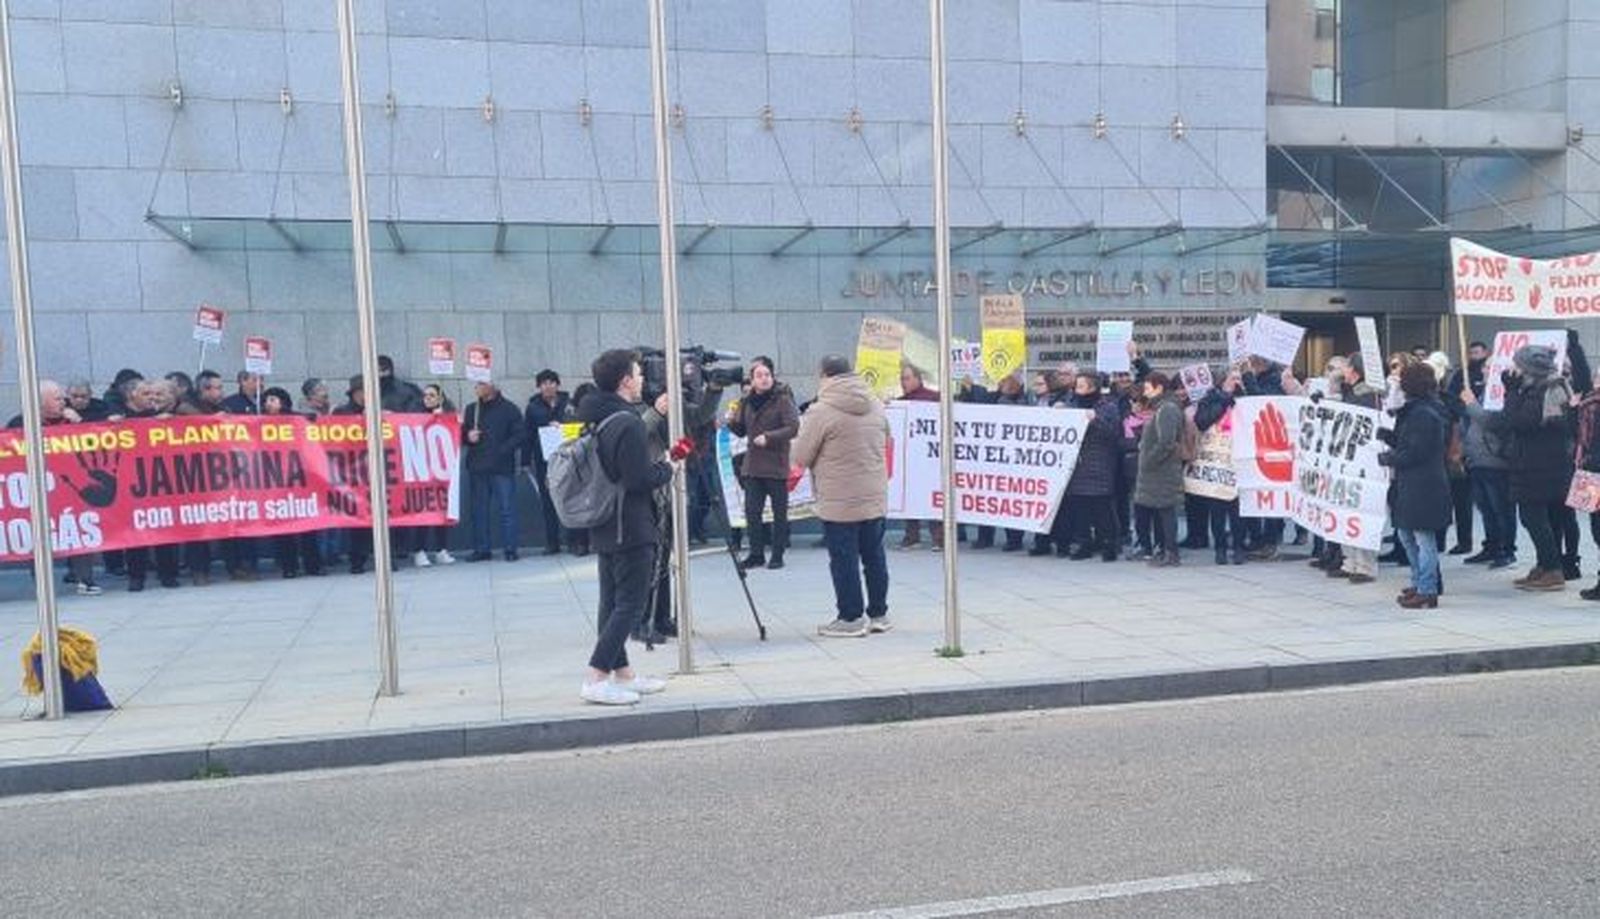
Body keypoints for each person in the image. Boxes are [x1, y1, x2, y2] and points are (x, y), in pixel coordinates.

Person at [578, 349, 676, 706]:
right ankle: (596, 677)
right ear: (625, 381)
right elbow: (638, 479)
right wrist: (668, 467)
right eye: (638, 373)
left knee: (611, 602)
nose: (642, 379)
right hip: (631, 524)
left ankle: (623, 674)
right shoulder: (628, 422)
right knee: (631, 605)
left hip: (605, 520)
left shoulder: (598, 417)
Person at [792, 355, 891, 638]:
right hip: (873, 493)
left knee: (844, 559)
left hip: (839, 499)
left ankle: (850, 617)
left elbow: (800, 456)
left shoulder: (820, 410)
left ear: (825, 376)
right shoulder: (875, 403)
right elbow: (886, 439)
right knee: (874, 555)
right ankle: (879, 614)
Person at [1490, 345, 1575, 592]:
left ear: (1528, 368)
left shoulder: (1543, 390)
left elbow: (1518, 422)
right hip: (1543, 464)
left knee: (1533, 518)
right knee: (1543, 518)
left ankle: (1552, 569)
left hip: (1537, 466)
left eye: (1517, 364)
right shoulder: (1547, 387)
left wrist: (1511, 391)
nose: (1513, 369)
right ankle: (1545, 565)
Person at [7, 381, 102, 595]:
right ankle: (42, 583)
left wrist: (80, 424)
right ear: (41, 402)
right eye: (57, 399)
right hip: (38, 489)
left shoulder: (71, 420)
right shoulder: (20, 423)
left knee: (80, 529)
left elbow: (94, 447)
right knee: (38, 535)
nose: (63, 403)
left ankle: (85, 579)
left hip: (71, 488)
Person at [1377, 363, 1451, 609]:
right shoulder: (1415, 410)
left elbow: (1417, 452)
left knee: (1422, 538)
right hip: (1412, 483)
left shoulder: (1424, 413)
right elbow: (1408, 442)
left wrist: (1390, 458)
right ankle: (1420, 582)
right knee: (1406, 534)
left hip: (1423, 484)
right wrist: (1388, 436)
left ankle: (1427, 589)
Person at [727, 356, 799, 570]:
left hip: (775, 463)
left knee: (779, 513)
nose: (764, 379)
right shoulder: (747, 401)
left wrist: (769, 437)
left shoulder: (782, 399)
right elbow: (741, 430)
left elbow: (793, 427)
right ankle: (756, 554)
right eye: (759, 375)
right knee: (752, 512)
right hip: (753, 465)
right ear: (752, 380)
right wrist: (730, 421)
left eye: (767, 375)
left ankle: (777, 554)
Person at [1329, 355, 1384, 584]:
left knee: (1361, 513)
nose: (1342, 370)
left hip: (1363, 463)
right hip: (1346, 461)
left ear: (1355, 370)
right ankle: (1349, 561)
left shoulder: (1369, 395)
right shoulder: (1350, 391)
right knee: (1345, 512)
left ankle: (1365, 566)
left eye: (1346, 366)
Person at [261, 388, 324, 579]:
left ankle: (313, 565)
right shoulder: (258, 422)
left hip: (300, 479)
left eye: (273, 399)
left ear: (283, 401)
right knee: (282, 526)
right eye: (266, 400)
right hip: (275, 481)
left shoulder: (296, 419)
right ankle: (289, 566)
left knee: (308, 526)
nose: (268, 404)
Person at [462, 380, 523, 562]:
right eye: (477, 385)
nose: (478, 388)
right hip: (478, 466)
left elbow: (520, 435)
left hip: (501, 467)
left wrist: (501, 451)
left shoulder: (510, 409)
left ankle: (510, 548)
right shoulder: (471, 409)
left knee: (507, 509)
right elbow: (462, 434)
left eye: (482, 384)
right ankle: (482, 549)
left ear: (493, 386)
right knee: (479, 511)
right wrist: (468, 437)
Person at [1063, 372, 1122, 561]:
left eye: (1081, 386)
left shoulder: (1107, 407)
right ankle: (1084, 543)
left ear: (1092, 388)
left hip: (1099, 464)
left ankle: (1109, 544)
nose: (1077, 390)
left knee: (1102, 508)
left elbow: (1114, 433)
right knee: (1080, 508)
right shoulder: (1072, 405)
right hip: (1077, 465)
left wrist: (1095, 420)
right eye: (1076, 386)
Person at [1459, 377, 1517, 570]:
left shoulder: (1504, 394)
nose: (1485, 371)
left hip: (1495, 460)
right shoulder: (1484, 392)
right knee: (1486, 509)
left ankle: (1506, 550)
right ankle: (1491, 545)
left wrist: (1471, 404)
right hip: (1477, 459)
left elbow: (1491, 421)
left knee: (1501, 509)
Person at [1193, 368, 1246, 566]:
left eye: (1239, 378)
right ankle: (1220, 549)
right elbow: (1202, 422)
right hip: (1217, 460)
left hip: (1238, 460)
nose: (1237, 382)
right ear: (1223, 381)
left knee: (1238, 509)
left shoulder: (1245, 399)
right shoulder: (1210, 399)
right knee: (1217, 509)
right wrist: (1225, 399)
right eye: (1233, 378)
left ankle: (1239, 548)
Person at [973, 374, 1030, 552]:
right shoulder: (991, 398)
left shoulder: (1027, 401)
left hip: (1015, 458)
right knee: (986, 498)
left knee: (1012, 500)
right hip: (991, 457)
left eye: (1010, 381)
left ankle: (1014, 539)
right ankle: (984, 537)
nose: (1006, 384)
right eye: (1003, 380)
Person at [1135, 372, 1186, 567]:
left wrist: (1149, 460)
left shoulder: (1167, 408)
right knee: (1161, 510)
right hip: (1158, 469)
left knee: (1166, 511)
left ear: (1159, 388)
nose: (1145, 392)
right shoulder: (1161, 407)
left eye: (1148, 388)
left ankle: (1171, 552)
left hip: (1163, 469)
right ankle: (1165, 550)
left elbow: (1166, 442)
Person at [523, 369, 572, 556]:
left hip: (568, 459)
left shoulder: (568, 404)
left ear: (557, 385)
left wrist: (563, 427)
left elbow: (578, 427)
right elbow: (527, 434)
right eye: (544, 383)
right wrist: (525, 460)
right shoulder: (533, 407)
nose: (548, 386)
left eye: (551, 382)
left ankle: (575, 541)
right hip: (544, 460)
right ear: (539, 386)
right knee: (548, 502)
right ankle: (552, 543)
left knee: (570, 499)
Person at [895, 363, 942, 551]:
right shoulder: (900, 403)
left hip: (931, 460)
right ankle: (912, 537)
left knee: (932, 499)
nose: (903, 382)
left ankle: (939, 538)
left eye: (907, 378)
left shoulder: (934, 398)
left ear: (917, 379)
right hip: (910, 460)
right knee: (910, 497)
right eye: (901, 379)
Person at [414, 384, 458, 568]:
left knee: (442, 512)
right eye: (425, 395)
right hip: (422, 472)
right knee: (423, 514)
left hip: (442, 472)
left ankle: (441, 549)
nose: (428, 398)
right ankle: (420, 551)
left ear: (440, 398)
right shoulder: (415, 416)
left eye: (432, 395)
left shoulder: (449, 415)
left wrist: (444, 419)